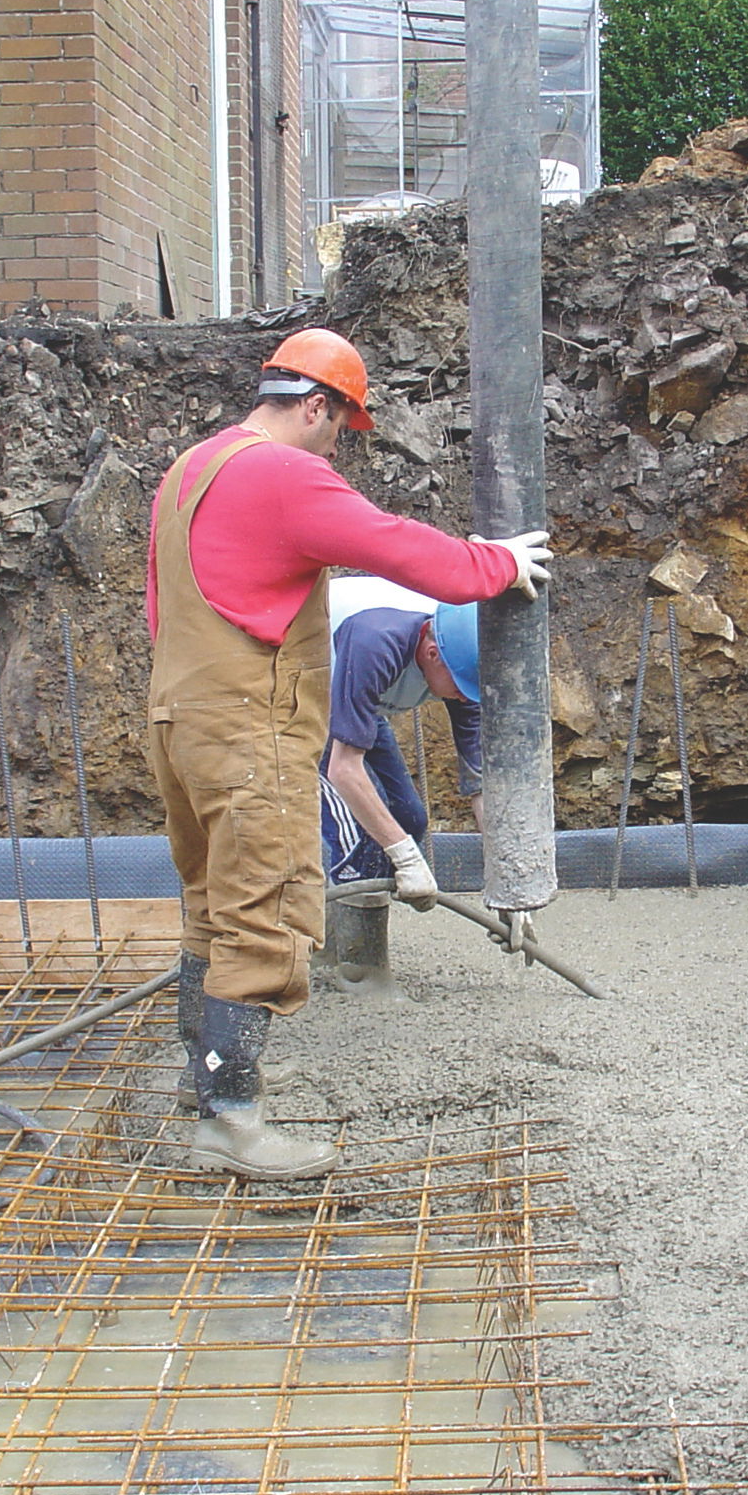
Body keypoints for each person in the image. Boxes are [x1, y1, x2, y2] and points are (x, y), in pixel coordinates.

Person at [144, 327, 551, 1181]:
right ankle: (231, 1122)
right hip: (249, 724)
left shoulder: (192, 469)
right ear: (317, 406)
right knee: (261, 905)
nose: (339, 450)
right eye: (340, 430)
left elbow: (162, 604)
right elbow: (394, 543)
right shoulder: (282, 471)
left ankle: (204, 1080)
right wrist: (497, 564)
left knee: (210, 901)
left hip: (180, 716)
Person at [319, 575, 484, 910]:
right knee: (358, 837)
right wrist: (406, 859)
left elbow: (483, 785)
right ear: (433, 653)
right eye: (460, 688)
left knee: (409, 819)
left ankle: (359, 928)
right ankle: (348, 955)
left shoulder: (464, 661)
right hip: (298, 700)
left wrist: (504, 881)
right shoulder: (376, 641)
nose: (465, 701)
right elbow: (343, 769)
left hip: (357, 702)